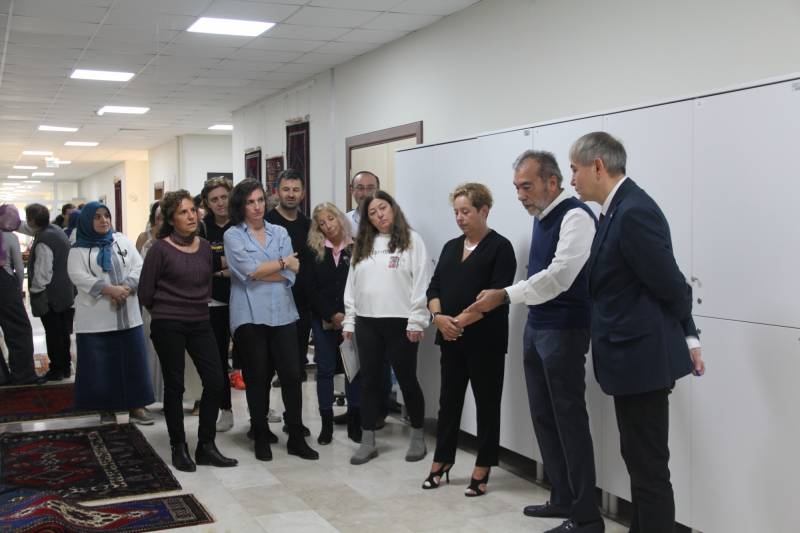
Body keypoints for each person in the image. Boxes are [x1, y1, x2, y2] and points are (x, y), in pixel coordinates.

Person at [569, 132, 705, 533]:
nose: (572, 179)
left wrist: (690, 335)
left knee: (649, 470)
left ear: (598, 166)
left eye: (575, 170)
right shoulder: (614, 211)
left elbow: (672, 285)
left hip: (641, 362)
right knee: (639, 462)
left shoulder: (633, 212)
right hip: (628, 361)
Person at [468, 150, 602, 533]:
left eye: (526, 186)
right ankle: (562, 497)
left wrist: (505, 294)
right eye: (517, 188)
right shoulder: (542, 218)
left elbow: (560, 276)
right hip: (538, 326)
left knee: (569, 420)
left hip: (565, 330)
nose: (520, 195)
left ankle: (587, 517)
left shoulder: (576, 216)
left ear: (552, 182)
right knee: (544, 416)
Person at [424, 183, 516, 496]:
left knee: (487, 405)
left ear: (484, 210)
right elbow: (434, 288)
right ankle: (442, 459)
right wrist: (438, 319)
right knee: (448, 403)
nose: (460, 218)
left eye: (466, 211)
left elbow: (494, 297)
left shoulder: (501, 248)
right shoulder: (451, 247)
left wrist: (456, 323)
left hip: (485, 342)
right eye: (456, 212)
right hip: (450, 339)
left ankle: (484, 465)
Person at [138, 189, 238, 472]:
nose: (191, 216)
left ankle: (206, 445)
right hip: (168, 323)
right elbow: (145, 292)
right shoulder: (159, 249)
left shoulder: (204, 247)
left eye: (193, 210)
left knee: (215, 380)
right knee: (175, 385)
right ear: (171, 219)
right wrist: (165, 311)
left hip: (199, 321)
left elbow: (209, 278)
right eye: (183, 212)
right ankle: (178, 446)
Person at [224, 179, 318, 462]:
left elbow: (292, 274)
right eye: (250, 202)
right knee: (258, 377)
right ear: (241, 206)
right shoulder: (233, 235)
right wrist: (282, 263)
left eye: (260, 200)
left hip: (283, 312)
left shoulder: (280, 232)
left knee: (291, 375)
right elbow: (248, 272)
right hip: (249, 316)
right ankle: (261, 434)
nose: (257, 207)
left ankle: (296, 437)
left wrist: (271, 270)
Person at [343, 191, 431, 465]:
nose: (379, 215)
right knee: (369, 382)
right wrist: (350, 319)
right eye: (372, 212)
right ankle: (368, 441)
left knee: (407, 379)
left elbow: (422, 282)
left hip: (401, 322)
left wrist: (417, 319)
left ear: (393, 208)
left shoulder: (412, 240)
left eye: (383, 208)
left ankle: (417, 436)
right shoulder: (363, 244)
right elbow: (352, 285)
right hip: (367, 322)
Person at [67, 202, 154, 425]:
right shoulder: (78, 250)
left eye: (106, 216)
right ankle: (106, 409)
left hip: (127, 315)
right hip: (96, 320)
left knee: (133, 363)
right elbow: (78, 276)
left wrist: (125, 287)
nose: (103, 220)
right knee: (100, 368)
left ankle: (137, 406)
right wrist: (109, 290)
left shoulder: (121, 240)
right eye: (97, 217)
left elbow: (139, 265)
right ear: (87, 221)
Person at [306, 202, 362, 444]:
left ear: (340, 218)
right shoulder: (314, 251)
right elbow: (310, 289)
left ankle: (355, 424)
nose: (328, 225)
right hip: (323, 320)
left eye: (331, 219)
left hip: (352, 320)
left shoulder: (357, 247)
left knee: (353, 371)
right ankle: (326, 425)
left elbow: (362, 285)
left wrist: (347, 316)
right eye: (322, 222)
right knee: (325, 370)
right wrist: (331, 314)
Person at [344, 170, 394, 429]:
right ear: (352, 190)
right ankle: (355, 410)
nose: (364, 192)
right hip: (355, 300)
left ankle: (378, 412)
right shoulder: (343, 221)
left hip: (383, 306)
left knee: (379, 364)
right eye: (360, 187)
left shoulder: (390, 222)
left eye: (370, 187)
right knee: (352, 361)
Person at [265, 169, 312, 387]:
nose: (291, 194)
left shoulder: (309, 224)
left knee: (297, 363)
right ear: (277, 191)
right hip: (273, 298)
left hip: (302, 301)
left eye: (295, 190)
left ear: (303, 193)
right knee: (271, 358)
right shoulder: (266, 223)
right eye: (286, 189)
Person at [198, 178, 237, 432]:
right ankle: (226, 409)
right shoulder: (202, 228)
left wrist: (220, 266)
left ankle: (262, 408)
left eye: (224, 197)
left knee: (254, 357)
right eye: (214, 199)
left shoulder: (242, 222)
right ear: (207, 203)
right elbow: (203, 263)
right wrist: (231, 264)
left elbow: (251, 260)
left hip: (244, 298)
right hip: (214, 303)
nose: (220, 203)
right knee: (219, 358)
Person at [24, 203, 75, 381]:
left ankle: (57, 369)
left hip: (51, 296)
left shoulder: (44, 240)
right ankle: (65, 367)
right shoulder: (56, 230)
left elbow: (43, 273)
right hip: (65, 292)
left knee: (53, 334)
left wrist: (35, 291)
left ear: (32, 220)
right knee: (62, 333)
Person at [0, 204, 43, 386]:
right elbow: (19, 269)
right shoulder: (9, 237)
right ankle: (23, 374)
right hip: (5, 285)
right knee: (19, 330)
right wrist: (18, 290)